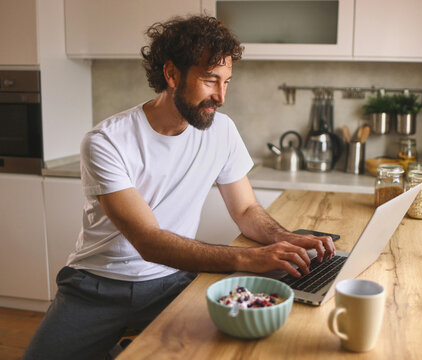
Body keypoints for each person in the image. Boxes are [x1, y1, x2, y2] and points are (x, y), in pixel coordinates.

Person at [23, 15, 335, 360]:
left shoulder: (222, 131)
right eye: (210, 80)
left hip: (172, 282)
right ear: (171, 75)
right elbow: (148, 241)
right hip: (97, 284)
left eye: (227, 82)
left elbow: (246, 210)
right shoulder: (107, 141)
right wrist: (248, 257)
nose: (220, 96)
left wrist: (285, 238)